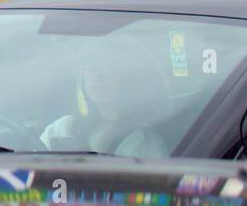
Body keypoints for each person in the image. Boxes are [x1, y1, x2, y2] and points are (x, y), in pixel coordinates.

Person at [39, 37, 170, 157]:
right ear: (82, 77)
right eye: (91, 68)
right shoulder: (63, 129)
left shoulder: (144, 143)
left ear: (127, 78)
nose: (97, 76)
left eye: (107, 67)